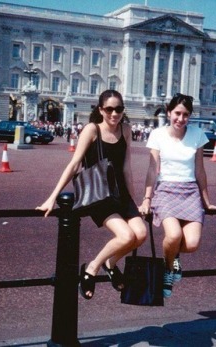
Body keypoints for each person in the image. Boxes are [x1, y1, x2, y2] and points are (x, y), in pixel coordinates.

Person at [36, 90, 147, 300]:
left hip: (121, 193)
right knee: (126, 236)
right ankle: (92, 269)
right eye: (109, 109)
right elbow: (74, 164)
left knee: (140, 234)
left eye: (119, 109)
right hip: (100, 194)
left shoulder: (126, 130)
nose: (114, 114)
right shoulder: (91, 129)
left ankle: (110, 263)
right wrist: (52, 197)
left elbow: (127, 169)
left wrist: (134, 201)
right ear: (100, 110)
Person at [138, 93, 216, 298]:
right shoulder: (157, 134)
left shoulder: (197, 134)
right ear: (168, 112)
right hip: (165, 190)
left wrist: (206, 202)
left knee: (191, 244)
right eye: (177, 113)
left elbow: (200, 170)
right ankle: (168, 269)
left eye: (185, 114)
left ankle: (174, 256)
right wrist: (147, 199)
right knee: (173, 235)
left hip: (190, 191)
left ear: (190, 116)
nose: (180, 119)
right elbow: (152, 170)